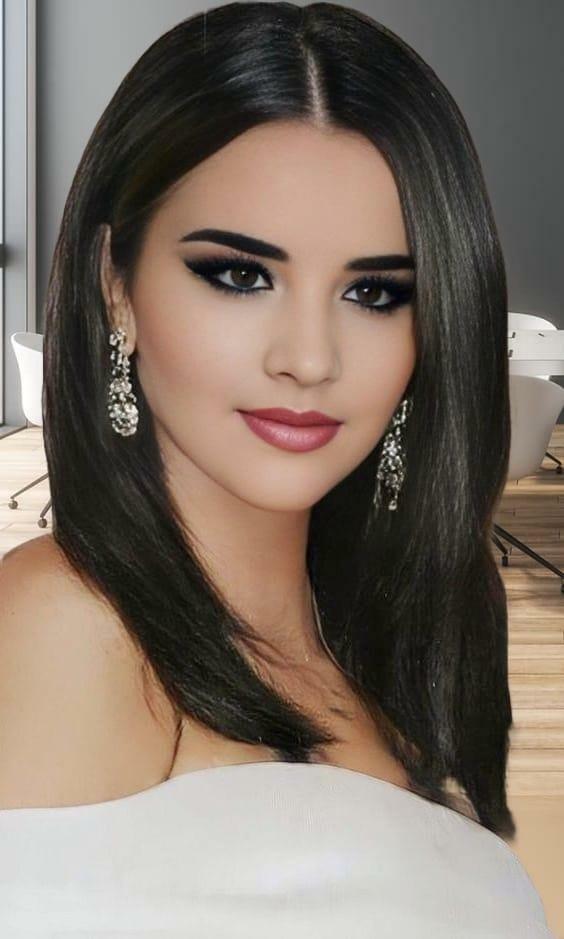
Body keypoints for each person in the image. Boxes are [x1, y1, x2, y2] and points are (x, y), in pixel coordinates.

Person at [0, 2, 555, 935]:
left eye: (373, 292)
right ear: (114, 283)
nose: (309, 357)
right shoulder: (62, 629)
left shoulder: (399, 638)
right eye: (240, 274)